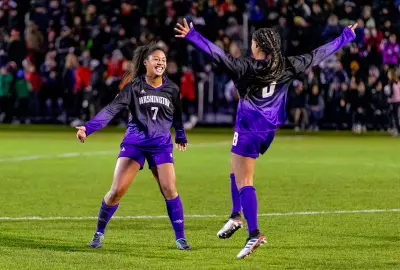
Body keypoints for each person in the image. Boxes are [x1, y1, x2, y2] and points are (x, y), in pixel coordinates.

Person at [175, 18, 357, 259]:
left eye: (252, 42)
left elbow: (218, 55)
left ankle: (254, 233)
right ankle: (235, 216)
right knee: (235, 165)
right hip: (267, 129)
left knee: (245, 180)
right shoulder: (287, 65)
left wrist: (192, 36)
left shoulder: (245, 68)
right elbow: (317, 55)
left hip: (250, 127)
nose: (250, 46)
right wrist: (345, 37)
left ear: (258, 46)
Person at [75, 44, 190, 250]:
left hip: (160, 146)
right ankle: (99, 233)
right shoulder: (133, 87)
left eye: (163, 59)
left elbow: (178, 115)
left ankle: (180, 238)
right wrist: (88, 128)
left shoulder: (172, 88)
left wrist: (180, 134)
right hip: (135, 143)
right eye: (156, 59)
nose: (161, 62)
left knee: (170, 189)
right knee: (117, 190)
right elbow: (111, 110)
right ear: (145, 62)